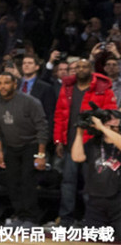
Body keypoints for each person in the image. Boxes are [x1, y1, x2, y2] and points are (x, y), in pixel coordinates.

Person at [53, 57, 118, 226]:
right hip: (71, 142)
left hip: (95, 144)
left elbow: (110, 117)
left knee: (91, 185)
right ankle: (66, 218)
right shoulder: (67, 88)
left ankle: (91, 220)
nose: (80, 69)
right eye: (77, 67)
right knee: (68, 182)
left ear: (91, 70)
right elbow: (59, 115)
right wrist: (59, 140)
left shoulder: (103, 89)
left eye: (84, 67)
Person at [0, 72, 49, 227]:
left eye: (6, 83)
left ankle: (31, 218)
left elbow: (42, 128)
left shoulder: (30, 101)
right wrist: (0, 151)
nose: (2, 86)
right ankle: (19, 215)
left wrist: (41, 154)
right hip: (10, 146)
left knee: (27, 182)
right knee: (12, 182)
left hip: (31, 144)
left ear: (15, 84)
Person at [70, 110, 121, 236]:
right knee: (93, 239)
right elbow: (77, 157)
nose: (112, 121)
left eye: (115, 119)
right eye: (109, 119)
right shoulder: (95, 143)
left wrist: (103, 128)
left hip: (118, 202)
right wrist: (80, 132)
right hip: (95, 202)